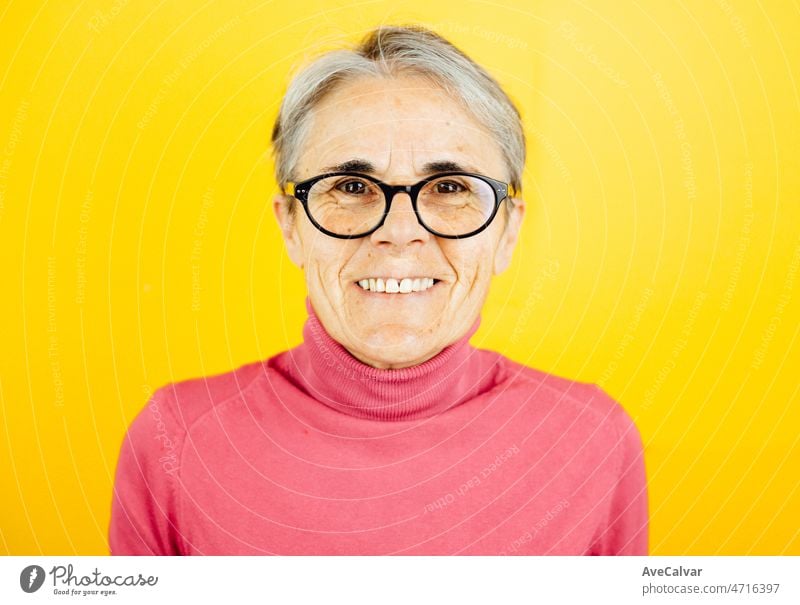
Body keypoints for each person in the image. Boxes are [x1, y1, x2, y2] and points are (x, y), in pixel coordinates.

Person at [109, 24, 648, 555]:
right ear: (291, 226)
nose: (397, 232)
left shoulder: (594, 438)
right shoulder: (174, 439)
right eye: (350, 187)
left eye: (450, 187)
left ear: (507, 231)